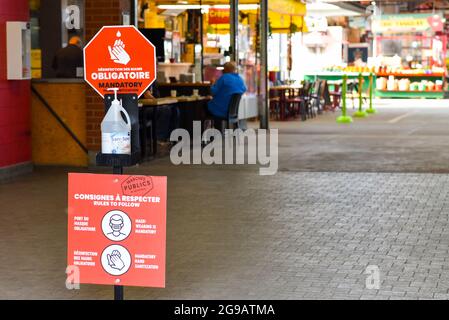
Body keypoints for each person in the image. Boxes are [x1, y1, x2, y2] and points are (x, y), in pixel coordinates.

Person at [207, 62, 247, 132]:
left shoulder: (223, 78)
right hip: (232, 111)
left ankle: (200, 133)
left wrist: (212, 84)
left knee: (202, 108)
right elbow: (244, 89)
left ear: (225, 70)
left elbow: (213, 92)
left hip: (220, 110)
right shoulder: (240, 79)